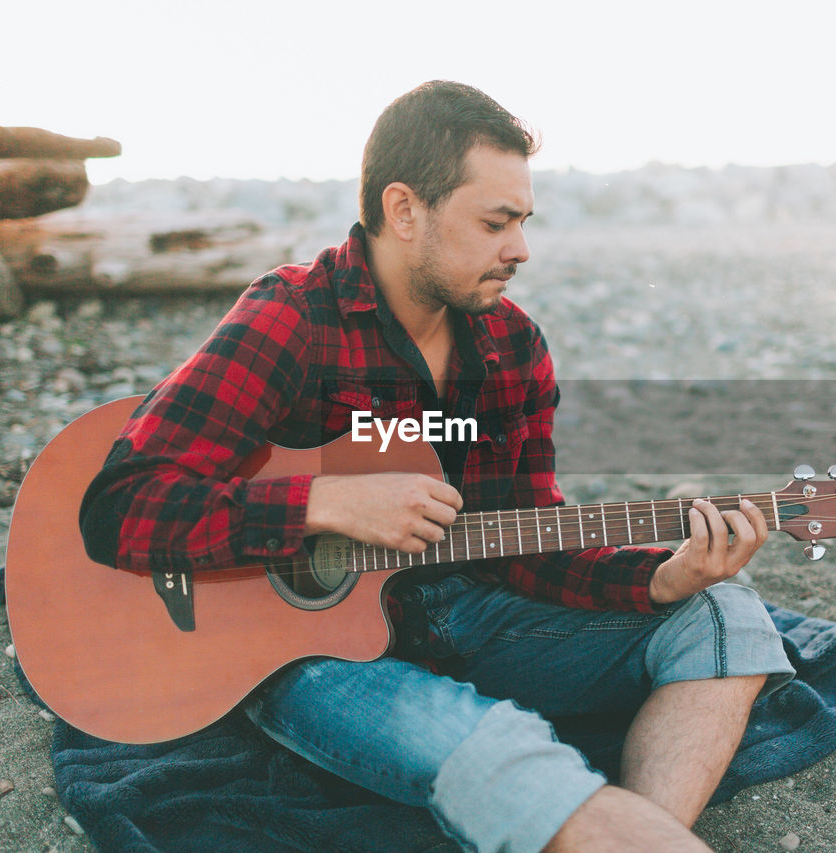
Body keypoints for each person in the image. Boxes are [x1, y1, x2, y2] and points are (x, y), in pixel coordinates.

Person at [78, 80, 796, 853]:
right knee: (502, 748)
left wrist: (660, 579)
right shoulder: (293, 317)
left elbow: (531, 537)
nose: (520, 248)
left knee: (727, 614)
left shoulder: (511, 345)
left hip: (468, 613)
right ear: (404, 209)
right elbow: (121, 503)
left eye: (522, 221)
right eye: (496, 222)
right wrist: (323, 502)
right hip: (304, 652)